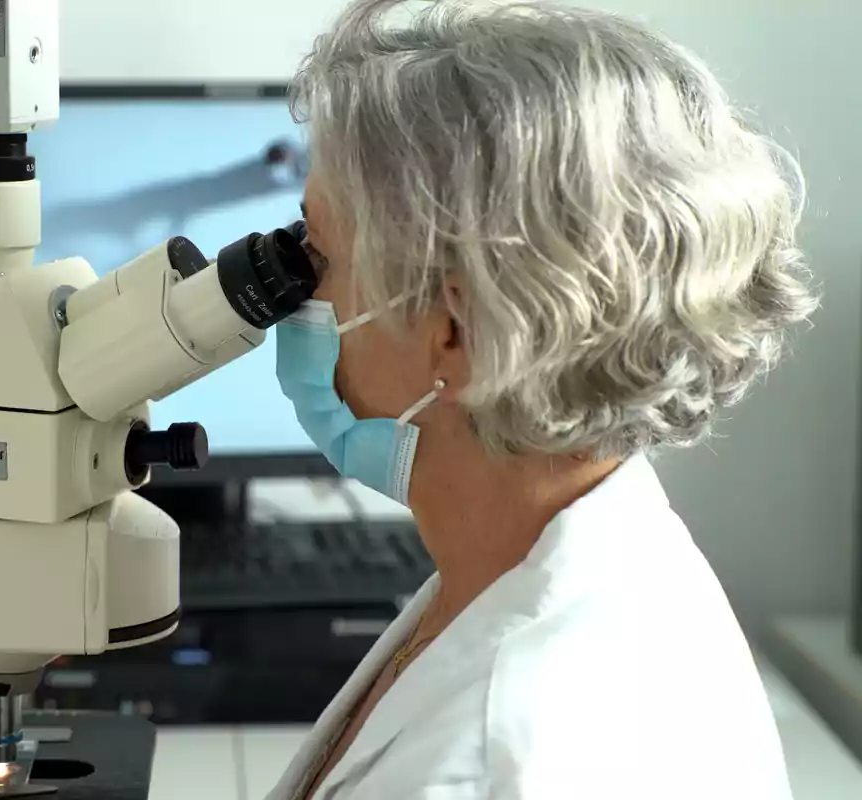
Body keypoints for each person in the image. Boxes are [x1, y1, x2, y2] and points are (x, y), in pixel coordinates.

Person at [267, 1, 818, 798]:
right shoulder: (549, 562)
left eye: (314, 251)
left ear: (451, 329)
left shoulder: (493, 761)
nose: (288, 291)